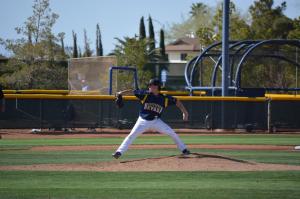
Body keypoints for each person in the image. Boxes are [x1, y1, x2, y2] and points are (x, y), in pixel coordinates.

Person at [112, 78, 190, 159]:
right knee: (131, 136)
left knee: (172, 133)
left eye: (151, 85)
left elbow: (177, 101)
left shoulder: (164, 98)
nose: (149, 87)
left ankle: (184, 149)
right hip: (142, 121)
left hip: (156, 122)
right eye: (149, 85)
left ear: (157, 87)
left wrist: (185, 112)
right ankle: (119, 152)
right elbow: (132, 91)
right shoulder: (145, 94)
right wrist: (121, 93)